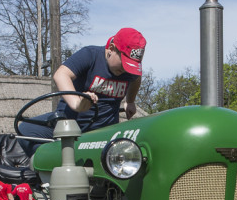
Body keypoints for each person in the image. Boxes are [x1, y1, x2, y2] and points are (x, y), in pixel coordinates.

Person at [16, 28, 145, 156]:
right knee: (25, 129)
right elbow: (61, 74)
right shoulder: (90, 55)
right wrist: (77, 103)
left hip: (104, 131)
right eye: (124, 63)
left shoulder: (130, 71)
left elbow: (136, 79)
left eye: (131, 66)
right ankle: (51, 166)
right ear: (111, 49)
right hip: (69, 125)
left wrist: (130, 101)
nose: (125, 69)